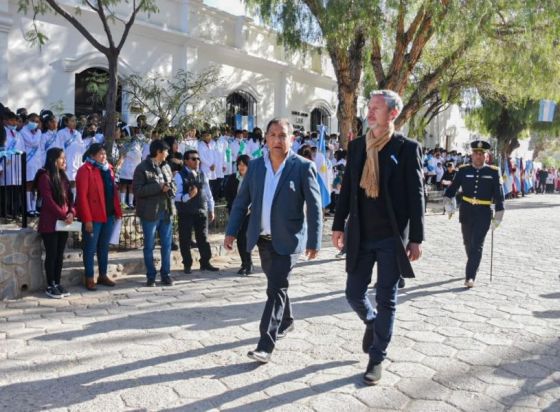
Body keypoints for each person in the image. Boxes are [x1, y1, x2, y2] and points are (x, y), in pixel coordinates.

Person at [332, 90, 425, 385]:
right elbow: (347, 188)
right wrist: (337, 225)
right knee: (353, 293)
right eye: (369, 107)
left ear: (393, 114)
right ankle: (371, 321)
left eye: (376, 108)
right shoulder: (358, 146)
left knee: (387, 298)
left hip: (391, 237)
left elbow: (417, 195)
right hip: (361, 233)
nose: (369, 113)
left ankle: (377, 357)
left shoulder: (407, 148)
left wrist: (416, 238)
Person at [225, 118, 322, 364]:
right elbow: (241, 202)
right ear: (266, 139)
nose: (277, 140)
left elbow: (314, 206)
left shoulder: (302, 167)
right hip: (263, 240)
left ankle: (265, 344)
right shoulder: (256, 167)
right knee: (277, 284)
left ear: (292, 139)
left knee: (275, 288)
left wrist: (314, 240)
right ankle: (287, 320)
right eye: (273, 135)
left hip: (289, 240)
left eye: (283, 135)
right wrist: (231, 231)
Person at [443, 140, 505, 289]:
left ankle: (470, 276)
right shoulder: (463, 170)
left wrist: (498, 217)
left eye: (481, 154)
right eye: (476, 153)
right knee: (467, 243)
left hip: (483, 212)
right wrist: (448, 204)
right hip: (466, 211)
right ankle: (473, 262)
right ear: (472, 155)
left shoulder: (493, 172)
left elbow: (499, 196)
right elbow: (451, 190)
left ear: (486, 156)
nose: (478, 156)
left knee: (477, 244)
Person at [75, 143, 123, 291]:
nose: (104, 156)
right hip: (94, 216)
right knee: (90, 248)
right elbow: (82, 197)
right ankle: (89, 277)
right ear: (92, 155)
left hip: (108, 214)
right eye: (100, 154)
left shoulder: (108, 169)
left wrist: (117, 212)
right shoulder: (85, 170)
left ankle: (102, 275)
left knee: (104, 247)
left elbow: (113, 191)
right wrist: (87, 219)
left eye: (105, 154)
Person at [133, 139, 177, 287]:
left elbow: (174, 185)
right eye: (166, 151)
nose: (168, 153)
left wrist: (171, 188)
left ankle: (166, 274)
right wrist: (158, 187)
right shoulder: (142, 168)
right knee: (149, 246)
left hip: (166, 212)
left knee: (167, 245)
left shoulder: (166, 167)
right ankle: (151, 276)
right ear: (158, 152)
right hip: (150, 214)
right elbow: (138, 191)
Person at [35, 148, 75, 298]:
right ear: (53, 160)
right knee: (51, 254)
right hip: (50, 223)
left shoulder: (63, 177)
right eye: (62, 158)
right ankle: (50, 284)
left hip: (64, 222)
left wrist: (71, 213)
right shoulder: (45, 177)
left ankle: (57, 282)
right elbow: (49, 201)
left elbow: (70, 200)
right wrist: (64, 215)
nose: (65, 161)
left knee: (59, 254)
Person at [174, 149, 219, 274]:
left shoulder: (202, 174)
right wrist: (188, 196)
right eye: (193, 159)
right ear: (186, 161)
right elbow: (175, 196)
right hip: (186, 212)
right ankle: (187, 264)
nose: (197, 161)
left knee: (203, 238)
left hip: (201, 210)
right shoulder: (179, 175)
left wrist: (211, 209)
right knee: (185, 239)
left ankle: (205, 262)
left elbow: (208, 193)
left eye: (198, 159)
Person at [223, 154, 253, 275]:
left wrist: (249, 207)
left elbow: (256, 195)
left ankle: (249, 263)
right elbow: (227, 194)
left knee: (245, 237)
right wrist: (236, 206)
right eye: (239, 164)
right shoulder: (232, 178)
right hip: (236, 212)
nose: (241, 167)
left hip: (250, 212)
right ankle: (244, 263)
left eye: (243, 164)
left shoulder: (253, 178)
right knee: (239, 238)